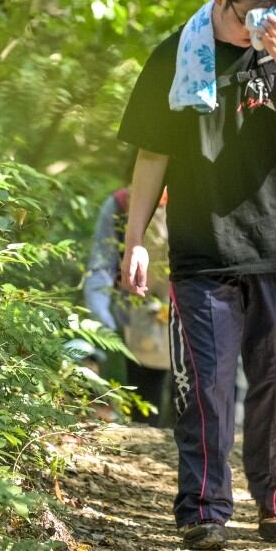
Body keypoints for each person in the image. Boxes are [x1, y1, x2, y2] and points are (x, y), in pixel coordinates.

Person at [116, 0, 276, 551]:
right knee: (204, 390)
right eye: (249, 15)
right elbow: (151, 153)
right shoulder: (174, 58)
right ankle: (205, 509)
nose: (261, 26)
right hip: (201, 250)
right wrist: (135, 241)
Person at [83, 179, 172, 424]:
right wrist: (103, 320)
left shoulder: (197, 204)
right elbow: (101, 265)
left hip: (186, 315)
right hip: (135, 319)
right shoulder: (120, 205)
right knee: (145, 396)